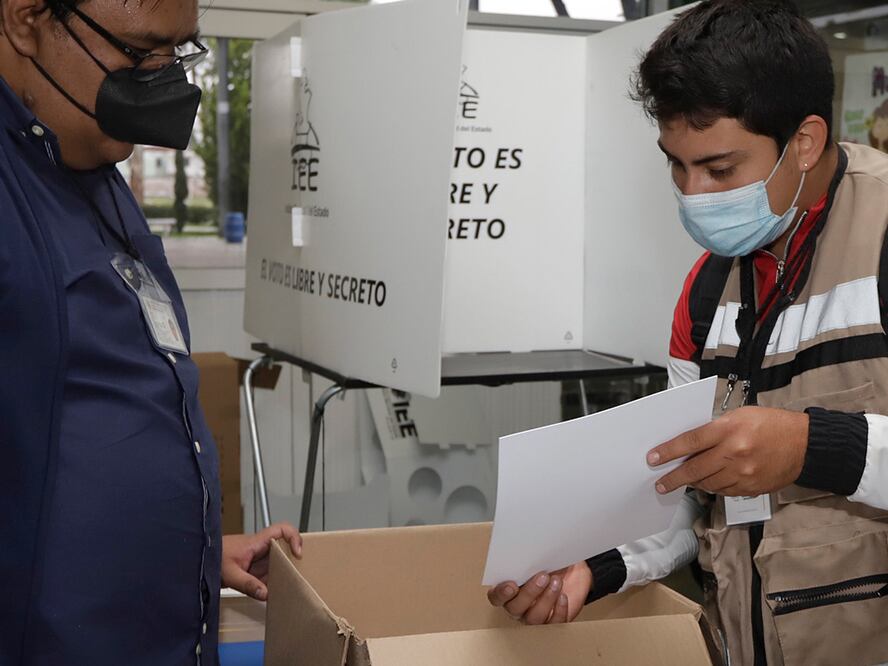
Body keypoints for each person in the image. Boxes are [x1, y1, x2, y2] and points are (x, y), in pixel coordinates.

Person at [488, 1, 888, 664]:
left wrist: (816, 447)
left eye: (721, 169)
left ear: (807, 141)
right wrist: (598, 566)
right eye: (676, 165)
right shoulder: (706, 292)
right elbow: (686, 491)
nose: (695, 194)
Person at [0, 1, 301, 664]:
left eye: (179, 51)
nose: (165, 81)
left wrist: (194, 547)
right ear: (25, 21)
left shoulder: (90, 166)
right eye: (141, 54)